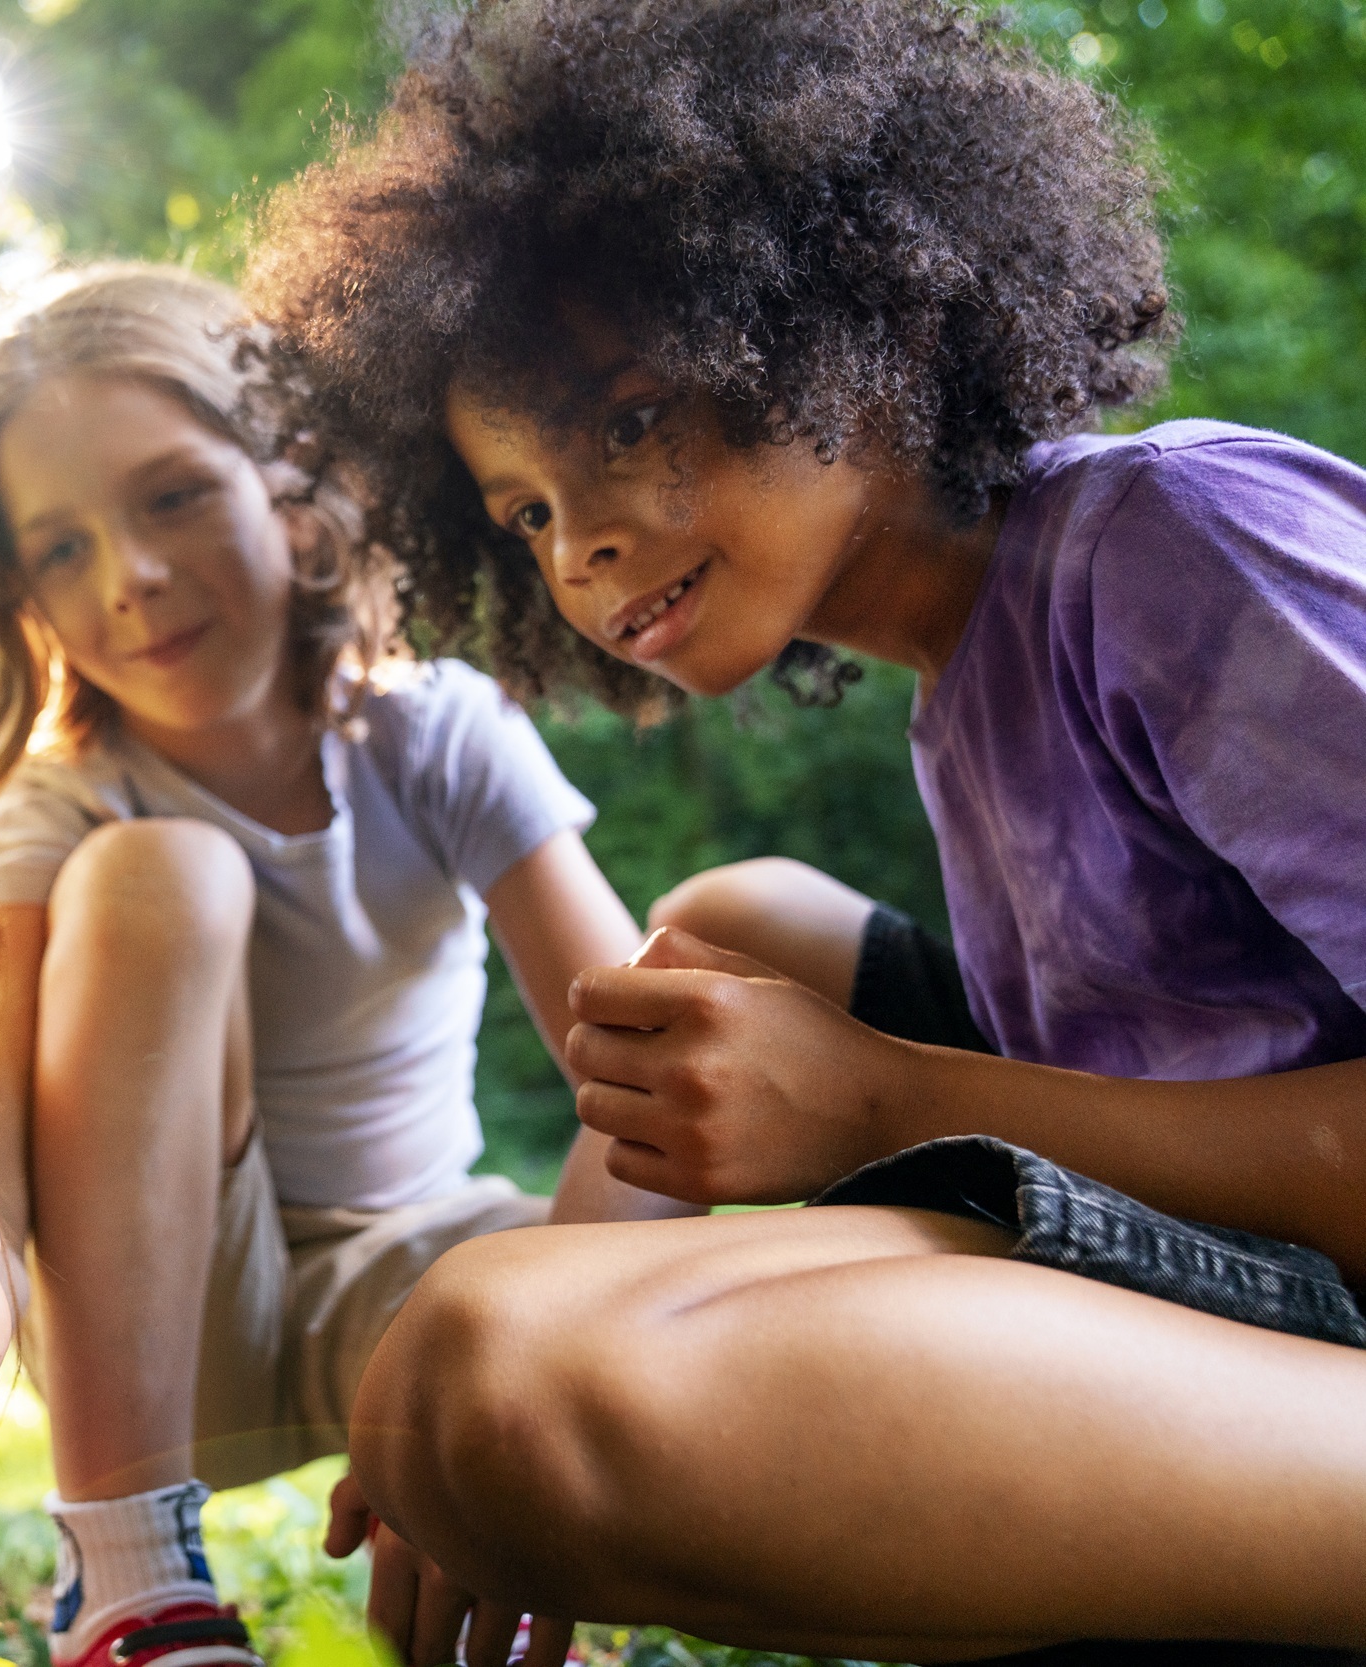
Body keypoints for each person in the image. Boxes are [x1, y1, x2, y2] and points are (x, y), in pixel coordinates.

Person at [231, 0, 1366, 1659]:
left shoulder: (1165, 539)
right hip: (1245, 1282)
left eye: (627, 421)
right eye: (524, 513)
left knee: (500, 1375)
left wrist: (889, 1104)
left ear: (844, 314)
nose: (582, 547)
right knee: (724, 930)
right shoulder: (965, 687)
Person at [0, 265, 684, 1667]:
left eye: (174, 497)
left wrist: (513, 1378)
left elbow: (650, 1087)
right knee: (162, 877)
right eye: (59, 550)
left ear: (293, 483)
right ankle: (128, 1578)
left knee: (674, 1187)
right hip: (175, 1333)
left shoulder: (437, 734)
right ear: (24, 601)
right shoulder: (62, 804)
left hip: (421, 1284)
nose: (125, 577)